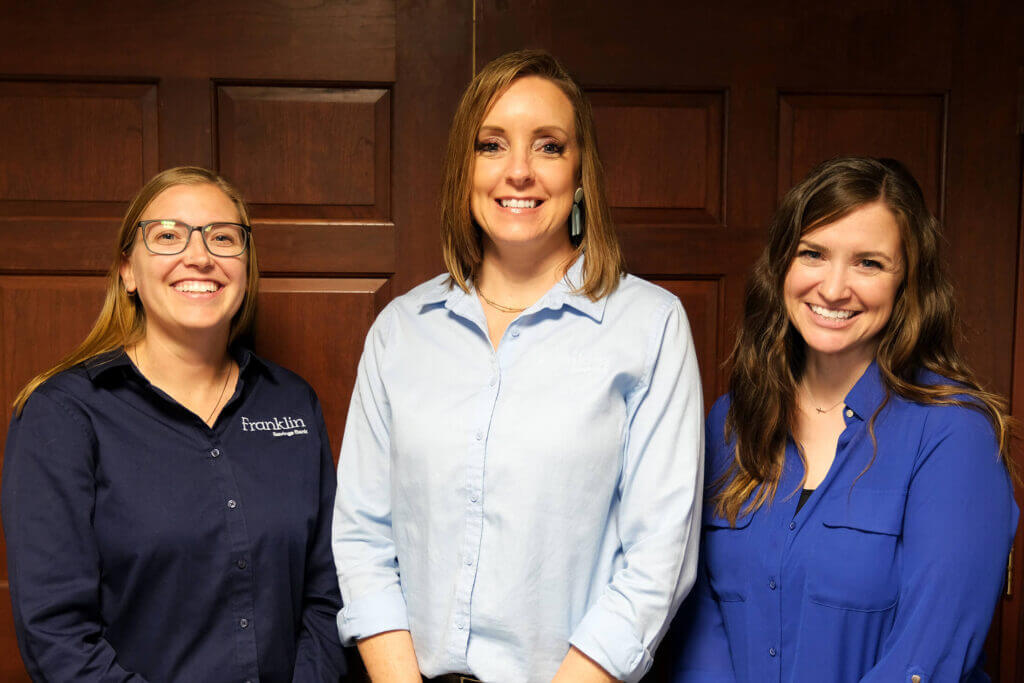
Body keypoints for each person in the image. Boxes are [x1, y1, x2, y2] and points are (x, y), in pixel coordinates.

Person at [332, 50, 703, 682]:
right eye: (492, 145)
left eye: (550, 146)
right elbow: (363, 536)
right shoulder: (401, 330)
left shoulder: (651, 326)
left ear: (581, 171)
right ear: (465, 169)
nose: (520, 171)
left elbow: (658, 558)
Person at [668, 156, 1018, 682]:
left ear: (908, 283)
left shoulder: (953, 433)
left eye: (869, 263)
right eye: (813, 254)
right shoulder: (730, 425)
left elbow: (928, 656)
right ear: (782, 265)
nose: (833, 289)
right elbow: (700, 622)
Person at [2, 167, 347, 681]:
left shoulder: (292, 403)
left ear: (246, 267)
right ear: (128, 271)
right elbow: (57, 635)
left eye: (223, 237)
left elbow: (328, 595)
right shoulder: (64, 415)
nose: (199, 255)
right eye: (168, 236)